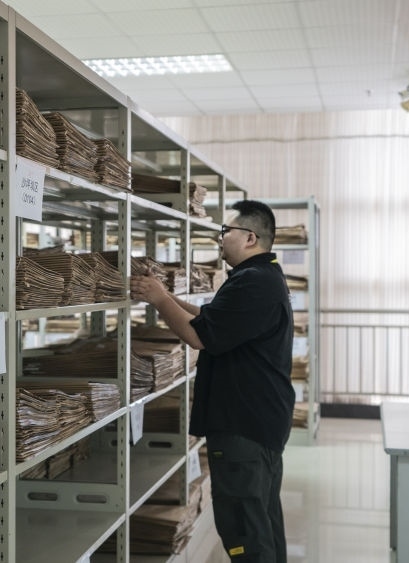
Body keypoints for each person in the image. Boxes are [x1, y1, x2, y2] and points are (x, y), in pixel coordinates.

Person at [130, 199, 295, 562]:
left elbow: (199, 336)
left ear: (249, 237)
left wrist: (159, 300)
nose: (220, 238)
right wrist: (168, 297)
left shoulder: (253, 282)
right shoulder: (261, 276)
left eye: (225, 231)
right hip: (258, 420)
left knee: (244, 529)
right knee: (261, 519)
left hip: (243, 424)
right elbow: (213, 319)